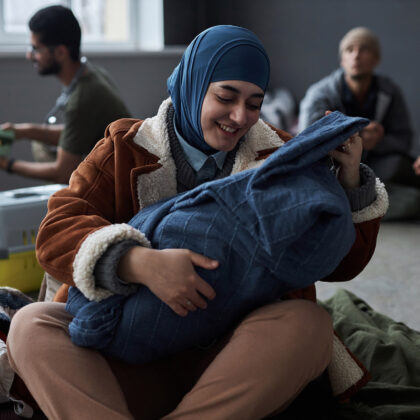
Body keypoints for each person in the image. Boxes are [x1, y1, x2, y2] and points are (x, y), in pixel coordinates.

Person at [7, 26, 387, 419]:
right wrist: (138, 263)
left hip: (231, 365)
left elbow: (341, 265)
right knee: (31, 324)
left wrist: (350, 183)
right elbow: (56, 230)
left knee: (308, 326)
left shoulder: (283, 158)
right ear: (193, 83)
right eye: (226, 96)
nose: (240, 116)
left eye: (255, 103)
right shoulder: (123, 147)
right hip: (126, 360)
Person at [0, 5, 130, 184]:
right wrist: (21, 132)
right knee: (38, 141)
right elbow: (77, 131)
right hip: (117, 167)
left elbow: (64, 172)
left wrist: (8, 164)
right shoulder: (89, 74)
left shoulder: (83, 98)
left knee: (41, 148)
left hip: (118, 184)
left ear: (61, 52)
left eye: (36, 49)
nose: (29, 56)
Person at [299, 27, 419, 219]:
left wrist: (377, 141)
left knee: (399, 166)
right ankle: (360, 204)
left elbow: (403, 139)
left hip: (375, 164)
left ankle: (360, 199)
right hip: (334, 167)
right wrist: (359, 138)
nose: (356, 55)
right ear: (342, 59)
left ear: (376, 59)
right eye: (349, 50)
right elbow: (306, 141)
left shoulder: (389, 91)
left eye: (364, 49)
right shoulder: (320, 94)